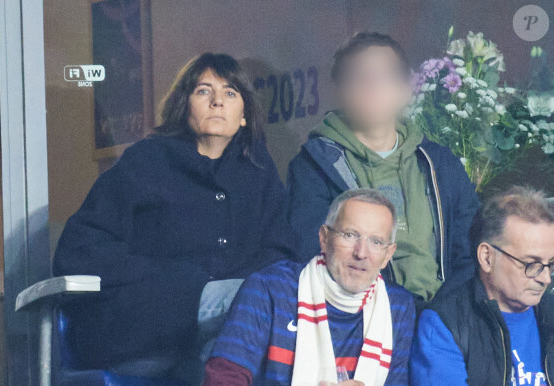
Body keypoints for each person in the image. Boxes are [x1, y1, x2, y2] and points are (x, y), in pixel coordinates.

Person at [53, 53, 299, 383]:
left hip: (219, 333)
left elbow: (281, 253)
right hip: (145, 331)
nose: (217, 102)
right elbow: (78, 250)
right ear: (184, 106)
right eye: (203, 91)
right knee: (256, 302)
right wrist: (175, 280)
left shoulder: (258, 171)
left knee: (250, 325)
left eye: (230, 93)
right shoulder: (146, 162)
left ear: (243, 116)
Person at [287, 32, 479, 303]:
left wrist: (443, 315)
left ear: (405, 90)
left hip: (442, 316)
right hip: (360, 314)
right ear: (340, 92)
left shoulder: (438, 164)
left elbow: (471, 251)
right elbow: (315, 255)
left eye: (384, 77)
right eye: (359, 78)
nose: (373, 88)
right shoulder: (315, 165)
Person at [204, 189, 416, 386]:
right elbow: (223, 380)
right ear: (324, 238)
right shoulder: (270, 288)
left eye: (376, 242)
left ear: (388, 254)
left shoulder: (398, 307)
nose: (361, 253)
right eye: (350, 235)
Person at [411, 186, 554, 386]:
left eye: (550, 264)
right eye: (531, 265)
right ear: (487, 257)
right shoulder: (444, 324)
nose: (546, 278)